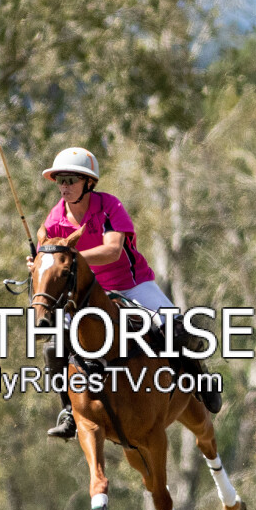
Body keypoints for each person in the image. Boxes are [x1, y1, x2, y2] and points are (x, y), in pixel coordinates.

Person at [34, 147, 220, 439]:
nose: (64, 187)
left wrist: (72, 258)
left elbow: (113, 250)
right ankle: (69, 411)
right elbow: (46, 259)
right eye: (60, 180)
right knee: (54, 348)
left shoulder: (108, 206)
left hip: (131, 283)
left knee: (176, 329)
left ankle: (201, 381)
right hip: (87, 294)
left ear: (88, 183)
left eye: (71, 180)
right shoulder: (55, 219)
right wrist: (38, 263)